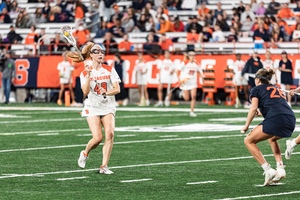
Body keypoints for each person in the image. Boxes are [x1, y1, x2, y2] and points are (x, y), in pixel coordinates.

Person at [67, 42, 121, 174]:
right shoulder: (84, 72)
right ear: (91, 55)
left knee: (110, 134)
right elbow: (85, 92)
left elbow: (117, 89)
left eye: (102, 51)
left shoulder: (109, 69)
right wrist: (88, 75)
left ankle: (104, 166)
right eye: (97, 51)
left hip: (108, 106)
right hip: (92, 107)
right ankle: (85, 153)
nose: (101, 54)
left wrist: (106, 92)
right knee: (98, 138)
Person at [241, 68, 295, 186]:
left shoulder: (256, 89)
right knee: (272, 138)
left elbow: (253, 108)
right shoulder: (276, 87)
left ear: (258, 79)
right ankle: (280, 168)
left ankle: (268, 170)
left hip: (276, 119)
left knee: (248, 140)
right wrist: (262, 112)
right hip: (290, 119)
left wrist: (246, 126)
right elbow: (276, 104)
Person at [177, 51, 204, 117]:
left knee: (194, 96)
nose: (192, 57)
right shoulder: (185, 62)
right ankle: (182, 94)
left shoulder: (196, 63)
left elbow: (199, 71)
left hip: (193, 82)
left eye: (193, 55)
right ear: (188, 56)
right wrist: (180, 80)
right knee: (187, 98)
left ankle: (192, 111)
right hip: (186, 82)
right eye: (191, 55)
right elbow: (177, 71)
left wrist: (202, 77)